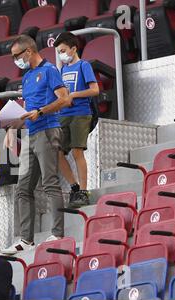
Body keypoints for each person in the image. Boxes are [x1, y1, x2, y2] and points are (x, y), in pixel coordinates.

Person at [1, 35, 70, 255]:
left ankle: (57, 233)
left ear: (28, 52)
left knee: (50, 182)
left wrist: (40, 112)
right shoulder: (27, 77)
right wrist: (12, 126)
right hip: (30, 134)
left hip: (47, 130)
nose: (15, 61)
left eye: (16, 56)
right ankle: (26, 239)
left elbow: (64, 99)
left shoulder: (49, 70)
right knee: (22, 188)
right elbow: (26, 111)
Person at [54, 32, 100, 207]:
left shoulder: (83, 65)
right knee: (58, 152)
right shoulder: (63, 70)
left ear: (73, 49)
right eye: (59, 51)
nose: (61, 54)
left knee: (77, 152)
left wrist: (74, 94)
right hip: (64, 115)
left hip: (80, 113)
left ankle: (83, 190)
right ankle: (74, 186)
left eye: (64, 50)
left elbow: (94, 89)